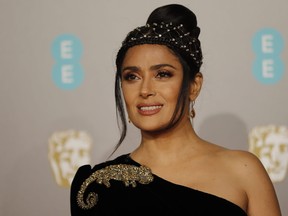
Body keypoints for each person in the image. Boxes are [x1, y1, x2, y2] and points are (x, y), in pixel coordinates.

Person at [70, 4, 281, 215]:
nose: (145, 90)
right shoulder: (96, 186)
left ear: (193, 86)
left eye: (162, 74)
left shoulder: (243, 171)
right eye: (132, 77)